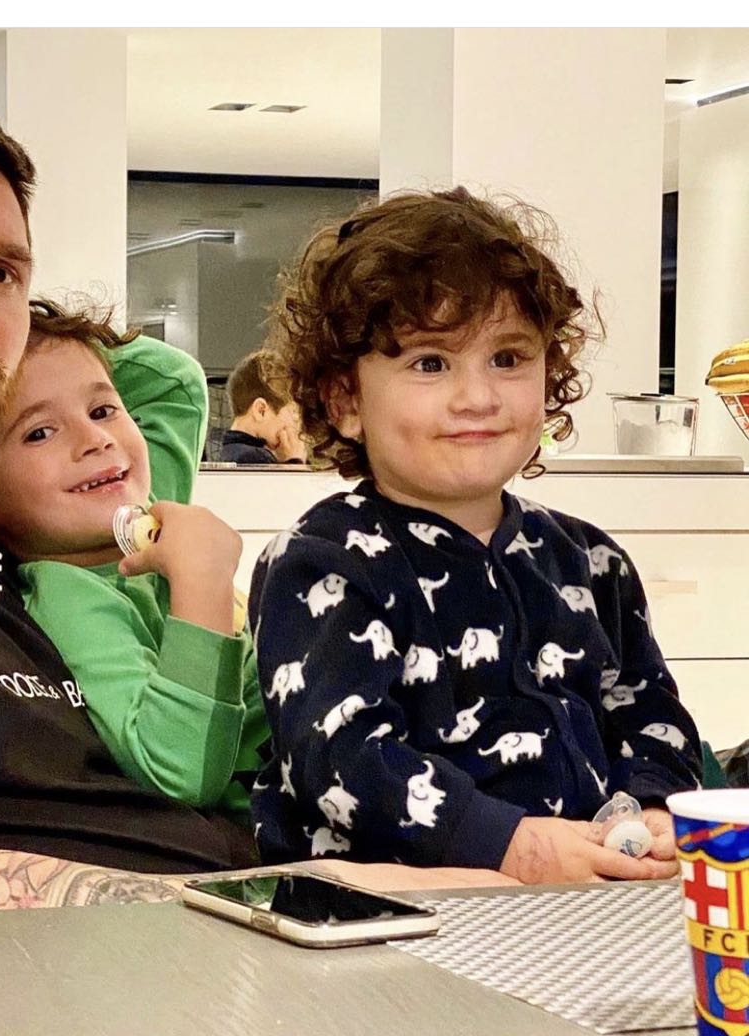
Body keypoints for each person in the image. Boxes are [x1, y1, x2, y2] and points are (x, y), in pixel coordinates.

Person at [0, 89, 507, 953]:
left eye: (4, 273)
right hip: (169, 991)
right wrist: (326, 897)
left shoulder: (5, 550)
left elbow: (157, 386)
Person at [249, 187, 698, 883]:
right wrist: (510, 846)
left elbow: (650, 714)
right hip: (396, 909)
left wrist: (659, 807)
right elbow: (340, 757)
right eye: (430, 363)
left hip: (590, 898)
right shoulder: (319, 561)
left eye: (508, 358)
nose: (478, 398)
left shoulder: (592, 560)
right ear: (344, 401)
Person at [0, 300, 268, 815]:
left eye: (102, 411)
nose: (95, 440)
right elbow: (178, 771)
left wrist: (27, 332)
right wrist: (203, 583)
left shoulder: (138, 508)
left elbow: (176, 381)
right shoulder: (71, 595)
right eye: (39, 432)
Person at [221, 349, 306, 464]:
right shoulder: (256, 458)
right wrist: (295, 461)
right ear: (261, 410)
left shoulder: (229, 451)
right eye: (294, 415)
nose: (297, 427)